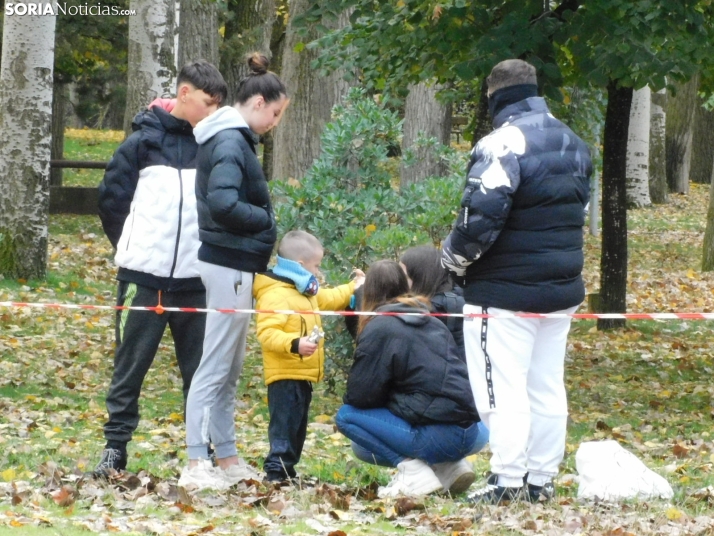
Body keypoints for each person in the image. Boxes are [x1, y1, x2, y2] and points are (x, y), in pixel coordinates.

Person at [441, 59, 592, 504]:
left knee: (500, 388)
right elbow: (579, 215)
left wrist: (451, 262)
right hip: (562, 286)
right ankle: (541, 480)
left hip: (503, 291)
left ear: (494, 96)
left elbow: (476, 225)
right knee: (546, 385)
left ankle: (506, 481)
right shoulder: (574, 141)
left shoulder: (503, 143)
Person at [95, 60, 228, 476]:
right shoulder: (139, 144)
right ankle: (115, 449)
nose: (213, 112)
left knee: (200, 372)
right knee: (129, 368)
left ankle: (200, 453)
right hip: (141, 280)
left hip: (197, 282)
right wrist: (135, 248)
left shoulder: (216, 146)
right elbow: (112, 202)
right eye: (208, 103)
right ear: (184, 94)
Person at [178, 53, 289, 491]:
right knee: (215, 365)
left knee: (229, 365)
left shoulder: (234, 140)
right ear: (258, 102)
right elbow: (223, 204)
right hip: (228, 262)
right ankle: (195, 460)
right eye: (276, 113)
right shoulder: (229, 142)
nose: (276, 122)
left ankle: (225, 456)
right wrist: (266, 221)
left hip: (237, 263)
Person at [335, 260, 486, 498]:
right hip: (472, 434)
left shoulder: (379, 327)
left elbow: (360, 397)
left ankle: (413, 472)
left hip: (438, 435)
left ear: (369, 292)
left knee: (347, 417)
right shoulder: (433, 320)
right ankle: (447, 467)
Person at [252, 230, 364, 483]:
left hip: (303, 373)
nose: (318, 271)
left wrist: (353, 288)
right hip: (284, 374)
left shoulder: (304, 291)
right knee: (284, 426)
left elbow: (331, 298)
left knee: (297, 427)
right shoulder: (276, 293)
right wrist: (294, 343)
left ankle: (288, 471)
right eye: (316, 265)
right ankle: (275, 472)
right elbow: (267, 333)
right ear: (301, 265)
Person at [400, 245, 466, 358]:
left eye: (403, 277)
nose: (399, 282)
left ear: (420, 277)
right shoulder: (459, 297)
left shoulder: (430, 310)